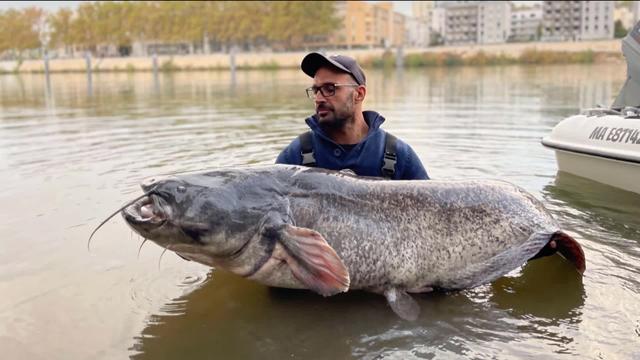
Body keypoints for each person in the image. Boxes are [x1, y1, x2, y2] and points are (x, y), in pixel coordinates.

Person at [276, 52, 429, 180]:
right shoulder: (295, 156)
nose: (319, 98)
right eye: (316, 90)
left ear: (359, 94)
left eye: (330, 89)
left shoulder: (399, 156)